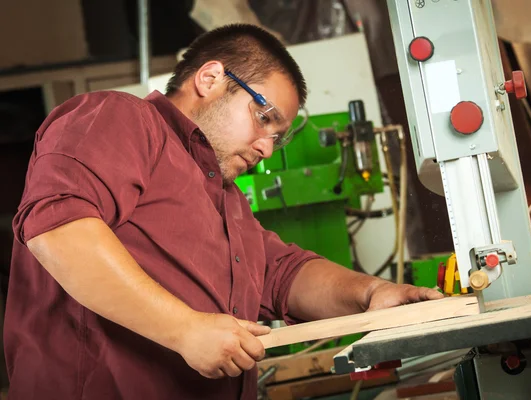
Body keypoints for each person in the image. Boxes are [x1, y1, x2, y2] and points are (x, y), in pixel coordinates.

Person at [4, 23, 443, 400]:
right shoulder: (120, 118)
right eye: (263, 116)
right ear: (211, 78)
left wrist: (371, 295)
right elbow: (59, 228)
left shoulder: (225, 196)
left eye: (279, 136)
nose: (267, 148)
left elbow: (280, 273)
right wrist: (185, 329)